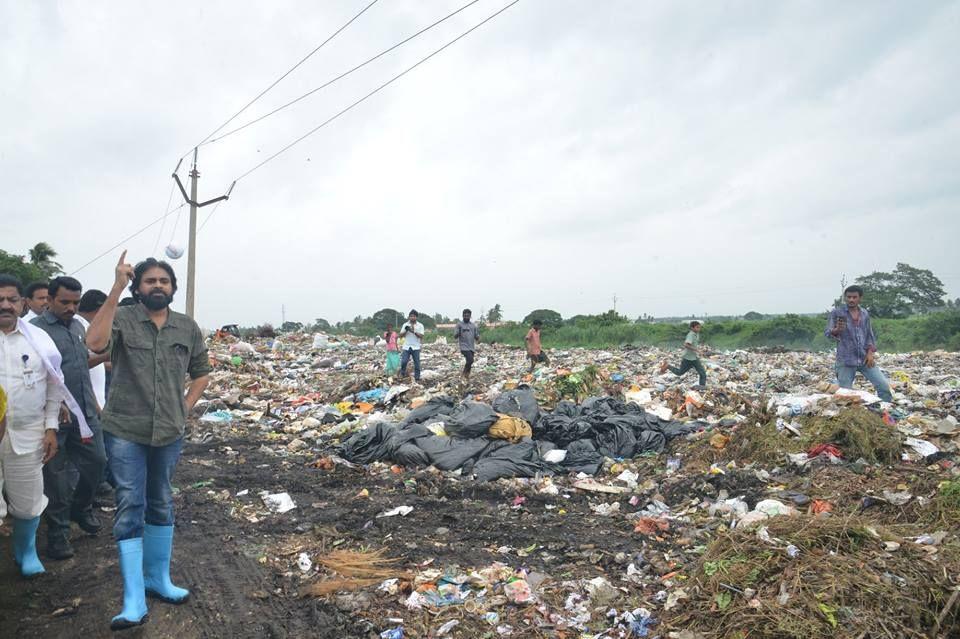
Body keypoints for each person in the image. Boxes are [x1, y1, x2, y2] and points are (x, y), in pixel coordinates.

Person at [86, 253, 211, 630]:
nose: (158, 286)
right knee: (130, 503)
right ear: (139, 288)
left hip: (169, 430)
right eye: (150, 281)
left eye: (164, 281)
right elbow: (93, 342)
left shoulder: (187, 328)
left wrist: (184, 407)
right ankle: (133, 596)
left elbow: (202, 373)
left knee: (161, 500)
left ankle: (158, 579)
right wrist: (115, 287)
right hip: (126, 429)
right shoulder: (123, 319)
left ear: (172, 288)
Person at [0, 273, 79, 577]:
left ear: (22, 304)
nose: (5, 305)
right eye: (0, 299)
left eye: (11, 299)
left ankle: (26, 551)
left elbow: (53, 386)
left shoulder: (39, 339)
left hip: (29, 432)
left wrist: (50, 428)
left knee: (28, 499)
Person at [30, 276, 108, 559]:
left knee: (98, 464)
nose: (72, 308)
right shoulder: (35, 331)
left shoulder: (78, 327)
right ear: (49, 300)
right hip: (53, 419)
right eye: (65, 302)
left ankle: (82, 508)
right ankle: (58, 536)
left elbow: (80, 363)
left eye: (76, 302)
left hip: (85, 413)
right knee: (56, 481)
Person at [825, 285, 892, 402]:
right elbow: (827, 333)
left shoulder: (864, 314)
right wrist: (837, 330)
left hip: (864, 358)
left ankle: (885, 411)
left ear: (860, 298)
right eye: (848, 297)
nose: (851, 300)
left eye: (854, 297)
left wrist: (870, 353)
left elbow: (869, 335)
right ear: (845, 298)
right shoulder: (837, 313)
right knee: (845, 396)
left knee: (883, 386)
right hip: (846, 360)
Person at [659, 321, 707, 387]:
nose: (699, 329)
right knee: (680, 372)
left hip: (694, 357)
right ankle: (668, 366)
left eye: (699, 327)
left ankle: (702, 387)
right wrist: (697, 350)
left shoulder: (696, 334)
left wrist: (699, 350)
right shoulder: (691, 335)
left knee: (702, 373)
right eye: (697, 327)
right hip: (688, 358)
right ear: (692, 328)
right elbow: (686, 345)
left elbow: (694, 344)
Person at [399, 310, 425, 382]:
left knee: (417, 363)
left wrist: (414, 331)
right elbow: (400, 335)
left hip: (416, 346)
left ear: (416, 317)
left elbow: (421, 336)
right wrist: (406, 330)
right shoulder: (405, 324)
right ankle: (402, 373)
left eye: (414, 316)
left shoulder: (420, 325)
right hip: (406, 346)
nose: (412, 318)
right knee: (404, 361)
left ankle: (417, 377)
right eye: (411, 316)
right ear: (409, 317)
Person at [454, 309, 480, 380]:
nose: (466, 317)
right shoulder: (459, 325)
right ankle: (463, 374)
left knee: (469, 362)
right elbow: (455, 336)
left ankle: (467, 376)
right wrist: (458, 333)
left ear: (470, 316)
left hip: (471, 346)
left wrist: (478, 338)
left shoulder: (473, 325)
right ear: (462, 316)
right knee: (470, 360)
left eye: (468, 316)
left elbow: (476, 336)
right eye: (465, 316)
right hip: (463, 346)